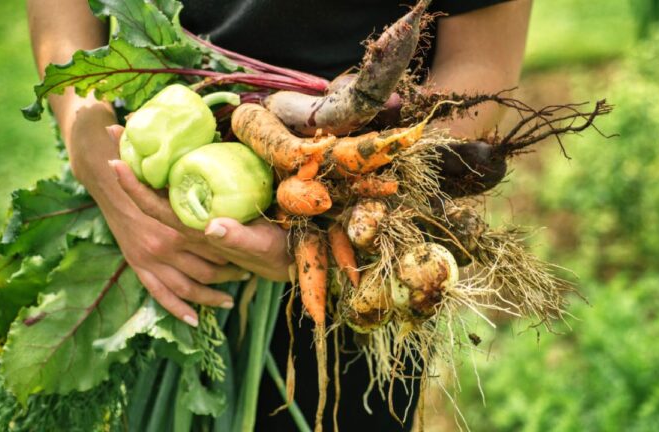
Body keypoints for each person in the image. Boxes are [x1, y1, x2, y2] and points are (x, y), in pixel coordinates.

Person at [27, 0, 531, 428]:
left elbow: (481, 55)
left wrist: (342, 209)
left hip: (359, 250)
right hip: (147, 224)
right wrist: (88, 141)